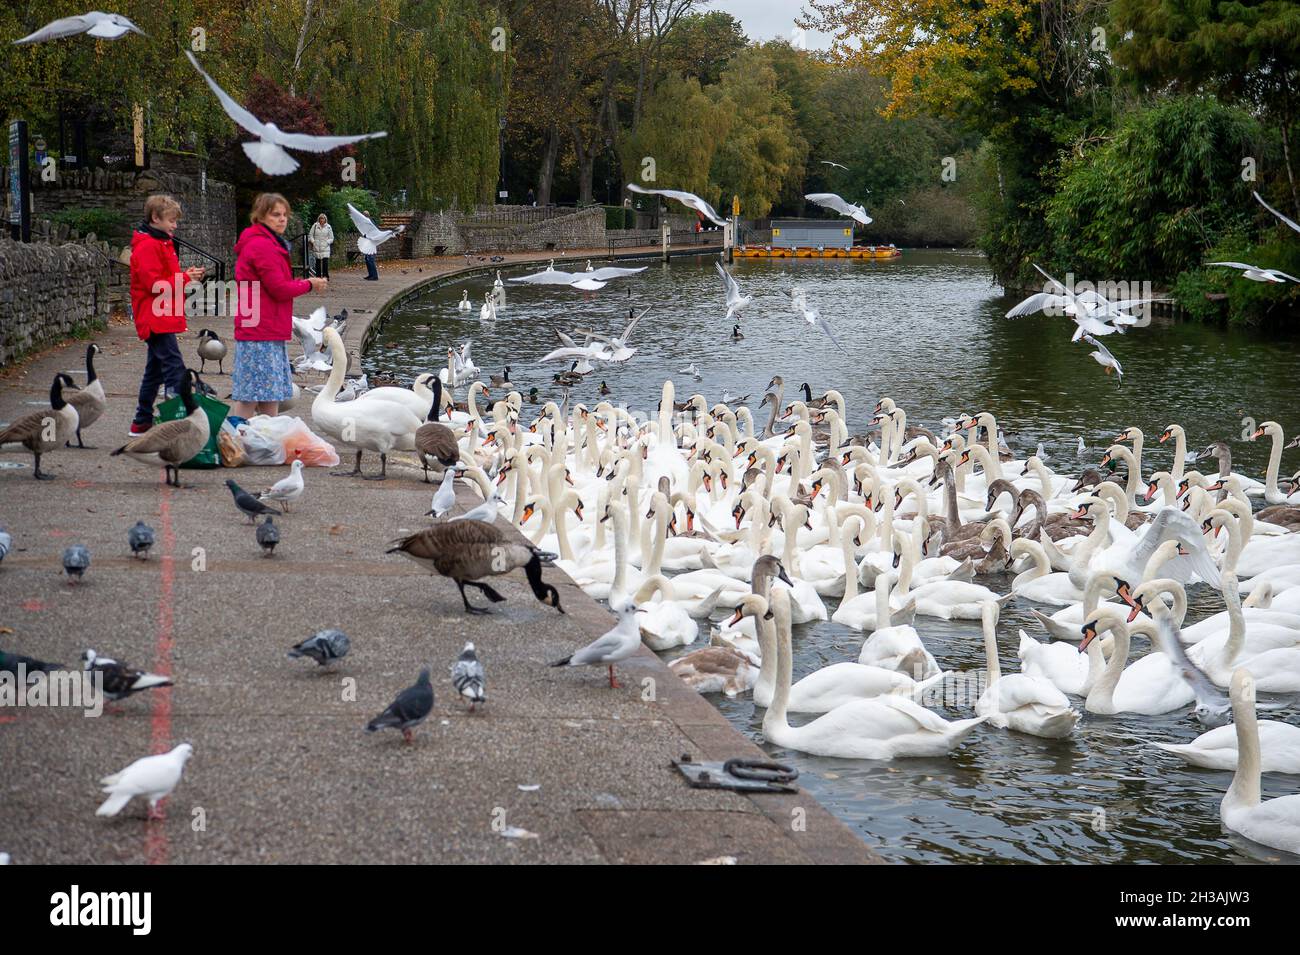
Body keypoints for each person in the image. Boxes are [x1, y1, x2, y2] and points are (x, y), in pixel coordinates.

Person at [230, 193, 326, 421]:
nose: (282, 219)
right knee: (251, 396)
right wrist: (309, 284)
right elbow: (279, 289)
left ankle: (268, 440)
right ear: (260, 216)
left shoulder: (267, 243)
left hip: (265, 327)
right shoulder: (262, 246)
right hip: (261, 329)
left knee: (267, 395)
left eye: (284, 215)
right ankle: (234, 441)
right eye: (275, 215)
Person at [129, 195, 205, 436]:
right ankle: (181, 418)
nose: (175, 225)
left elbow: (164, 278)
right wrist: (184, 278)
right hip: (155, 317)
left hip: (162, 315)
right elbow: (153, 284)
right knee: (174, 369)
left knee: (155, 371)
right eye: (171, 220)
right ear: (155, 218)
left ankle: (141, 421)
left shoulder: (162, 243)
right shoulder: (149, 245)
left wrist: (185, 275)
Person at [308, 212, 333, 278]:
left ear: (325, 219)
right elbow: (310, 235)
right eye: (321, 218)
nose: (322, 220)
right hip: (317, 247)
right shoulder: (315, 226)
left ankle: (325, 276)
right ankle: (318, 276)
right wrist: (313, 242)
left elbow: (331, 238)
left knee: (325, 263)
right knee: (318, 263)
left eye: (323, 218)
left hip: (325, 247)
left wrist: (327, 242)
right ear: (319, 219)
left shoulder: (328, 227)